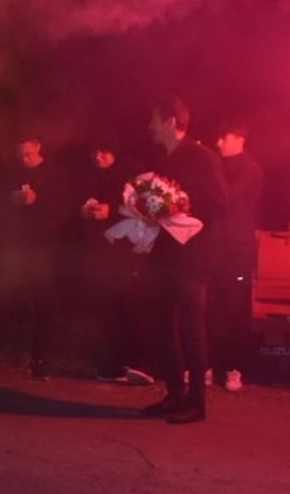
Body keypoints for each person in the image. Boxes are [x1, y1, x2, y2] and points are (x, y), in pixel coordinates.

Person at [140, 96, 229, 424]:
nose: (149, 127)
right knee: (163, 324)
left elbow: (219, 202)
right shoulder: (163, 157)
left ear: (170, 122)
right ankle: (174, 392)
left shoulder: (201, 156)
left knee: (191, 326)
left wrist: (181, 208)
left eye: (154, 120)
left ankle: (197, 401)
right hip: (165, 255)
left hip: (194, 256)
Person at [0, 134, 67, 379]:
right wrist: (12, 200)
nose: (24, 159)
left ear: (38, 146)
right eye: (21, 155)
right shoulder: (9, 174)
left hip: (42, 249)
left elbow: (62, 210)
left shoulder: (55, 175)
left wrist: (38, 201)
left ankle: (40, 359)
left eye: (28, 153)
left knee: (44, 305)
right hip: (13, 247)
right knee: (1, 299)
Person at [75, 135, 156, 385]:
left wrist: (111, 211)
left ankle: (139, 362)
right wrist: (85, 210)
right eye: (95, 153)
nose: (98, 158)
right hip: (99, 251)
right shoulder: (88, 173)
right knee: (105, 308)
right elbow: (76, 203)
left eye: (104, 153)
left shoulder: (133, 172)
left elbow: (143, 206)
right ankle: (110, 363)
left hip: (127, 251)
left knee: (131, 305)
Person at [207, 121, 264, 392]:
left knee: (235, 310)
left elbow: (225, 196)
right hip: (215, 249)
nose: (218, 143)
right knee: (211, 309)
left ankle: (235, 368)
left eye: (223, 137)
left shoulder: (251, 170)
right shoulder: (217, 166)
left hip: (238, 252)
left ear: (239, 139)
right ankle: (207, 365)